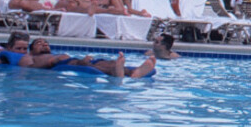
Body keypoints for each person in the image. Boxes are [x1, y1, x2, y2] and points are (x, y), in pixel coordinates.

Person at [22, 38, 157, 78]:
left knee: (105, 62)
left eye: (46, 43)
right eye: (39, 43)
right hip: (65, 63)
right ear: (31, 49)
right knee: (90, 66)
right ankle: (116, 72)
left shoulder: (53, 53)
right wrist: (54, 60)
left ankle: (132, 72)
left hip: (73, 60)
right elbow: (31, 67)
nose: (44, 44)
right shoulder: (32, 57)